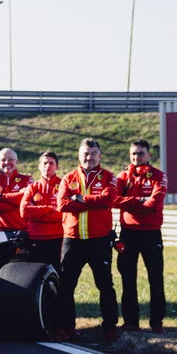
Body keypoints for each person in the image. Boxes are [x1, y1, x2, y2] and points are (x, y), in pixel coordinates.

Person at [55, 138, 120, 341]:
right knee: (66, 285)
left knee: (105, 285)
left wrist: (81, 199)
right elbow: (62, 205)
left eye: (93, 153)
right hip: (72, 239)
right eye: (85, 153)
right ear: (79, 155)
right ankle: (66, 327)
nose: (88, 157)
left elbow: (109, 200)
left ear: (99, 156)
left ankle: (110, 328)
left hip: (99, 240)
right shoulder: (68, 178)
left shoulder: (109, 177)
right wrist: (92, 202)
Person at [113, 140, 167, 333]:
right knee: (128, 279)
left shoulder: (159, 176)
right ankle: (131, 322)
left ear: (149, 155)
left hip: (151, 234)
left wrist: (129, 203)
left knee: (156, 279)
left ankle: (157, 322)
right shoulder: (123, 176)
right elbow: (114, 200)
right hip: (128, 233)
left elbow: (155, 203)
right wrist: (140, 200)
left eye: (141, 153)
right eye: (133, 154)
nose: (137, 157)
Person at [0, 148, 32, 270]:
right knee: (1, 272)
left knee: (21, 272)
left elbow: (27, 199)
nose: (7, 162)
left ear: (17, 161)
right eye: (3, 160)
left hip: (21, 234)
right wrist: (15, 203)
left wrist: (1, 198)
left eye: (10, 159)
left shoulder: (27, 180)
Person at [20, 151, 63, 269]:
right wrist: (49, 209)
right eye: (44, 163)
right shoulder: (33, 187)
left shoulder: (64, 185)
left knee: (59, 275)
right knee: (37, 275)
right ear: (39, 166)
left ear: (57, 166)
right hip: (36, 238)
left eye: (51, 163)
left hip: (58, 238)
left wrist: (37, 214)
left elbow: (64, 214)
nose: (47, 166)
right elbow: (24, 211)